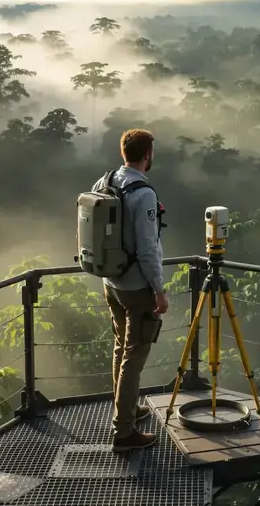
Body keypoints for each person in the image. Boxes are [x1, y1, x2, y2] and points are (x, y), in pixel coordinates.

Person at [93, 128, 169, 451]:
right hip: (137, 286)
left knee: (120, 348)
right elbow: (148, 249)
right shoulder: (144, 194)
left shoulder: (105, 182)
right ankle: (124, 433)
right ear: (147, 154)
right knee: (134, 357)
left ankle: (126, 409)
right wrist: (159, 290)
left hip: (111, 281)